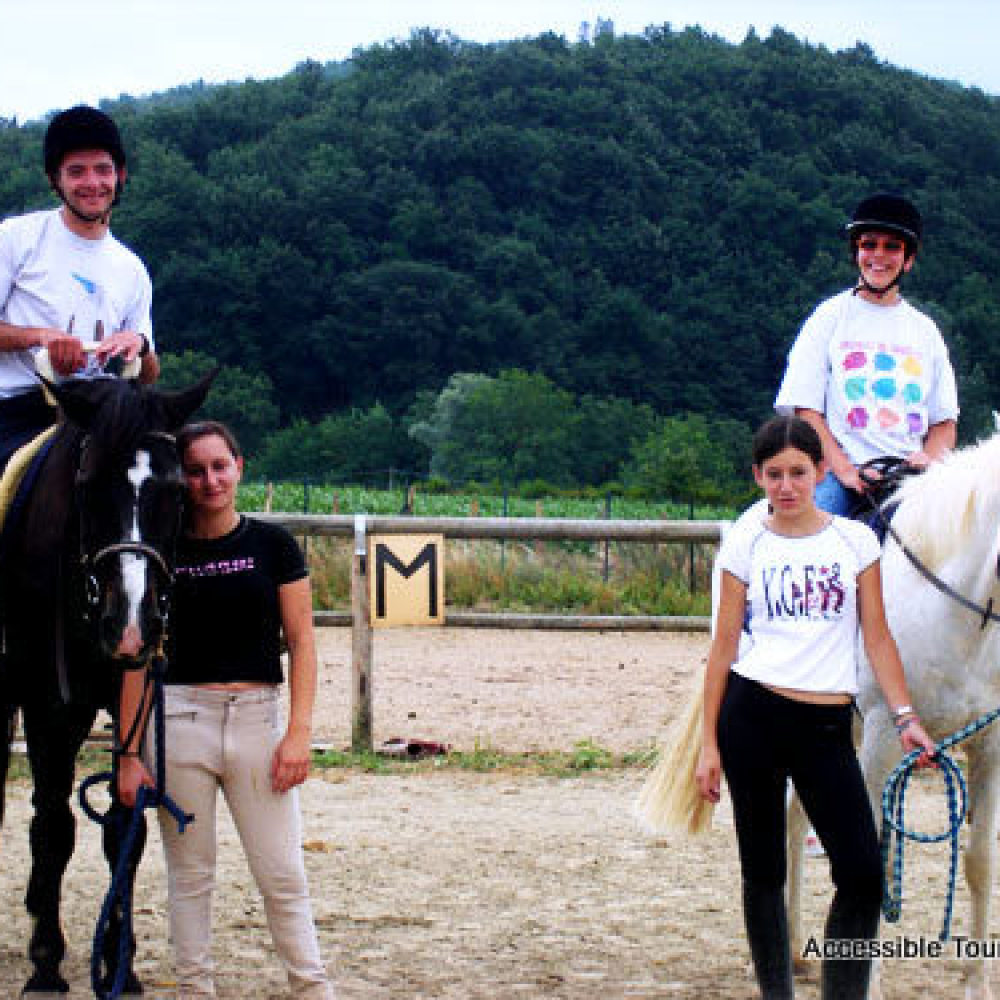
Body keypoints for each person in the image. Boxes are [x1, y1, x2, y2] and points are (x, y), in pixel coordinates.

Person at [695, 415, 935, 1000]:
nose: (786, 486)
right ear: (757, 476)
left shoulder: (854, 542)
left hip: (826, 725)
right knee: (765, 872)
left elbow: (876, 637)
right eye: (773, 474)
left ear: (820, 472)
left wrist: (906, 718)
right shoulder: (747, 542)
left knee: (860, 876)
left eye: (798, 473)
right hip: (752, 716)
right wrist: (708, 744)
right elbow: (723, 644)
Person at [117, 421, 335, 1000]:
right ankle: (195, 991)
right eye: (196, 470)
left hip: (257, 718)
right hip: (181, 721)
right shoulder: (162, 550)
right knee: (190, 878)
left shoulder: (273, 546)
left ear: (240, 466)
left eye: (219, 466)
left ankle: (311, 987)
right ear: (181, 480)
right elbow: (136, 656)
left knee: (282, 874)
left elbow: (304, 643)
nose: (209, 480)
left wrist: (298, 733)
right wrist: (128, 754)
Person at [774, 193, 958, 517]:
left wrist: (927, 458)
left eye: (892, 247)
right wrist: (845, 470)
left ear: (909, 259)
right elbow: (806, 411)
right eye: (869, 244)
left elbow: (944, 424)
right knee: (808, 540)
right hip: (838, 476)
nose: (878, 256)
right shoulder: (828, 319)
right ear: (856, 251)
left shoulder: (926, 332)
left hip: (909, 482)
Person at [0, 104, 159, 466]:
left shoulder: (131, 268)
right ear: (56, 179)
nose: (92, 183)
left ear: (120, 175)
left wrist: (140, 344)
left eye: (103, 170)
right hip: (16, 410)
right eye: (77, 172)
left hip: (101, 413)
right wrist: (40, 338)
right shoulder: (15, 239)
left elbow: (149, 374)